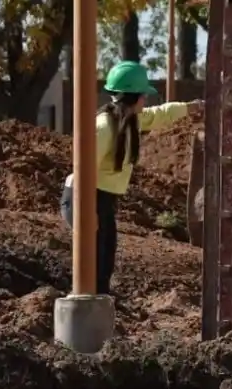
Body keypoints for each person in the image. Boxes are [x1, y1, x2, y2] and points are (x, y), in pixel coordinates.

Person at [60, 60, 203, 295]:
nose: (146, 100)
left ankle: (100, 306)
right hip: (83, 196)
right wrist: (86, 211)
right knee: (93, 263)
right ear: (133, 97)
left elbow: (160, 114)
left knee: (105, 260)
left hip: (102, 199)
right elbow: (83, 170)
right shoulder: (104, 127)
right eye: (143, 95)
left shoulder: (130, 119)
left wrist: (191, 107)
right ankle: (84, 307)